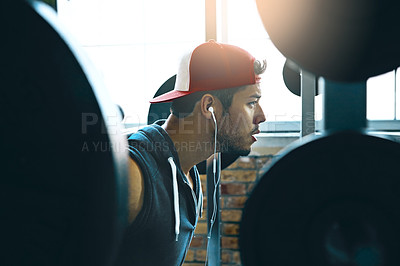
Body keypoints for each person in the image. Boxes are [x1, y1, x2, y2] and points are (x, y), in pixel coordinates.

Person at [115, 40, 267, 266]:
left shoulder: (188, 176)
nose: (261, 116)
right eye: (251, 103)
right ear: (209, 107)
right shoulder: (134, 173)